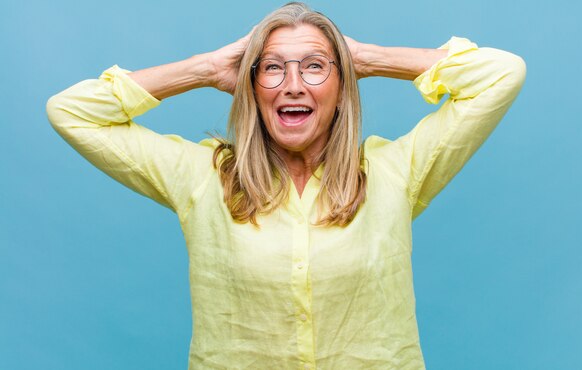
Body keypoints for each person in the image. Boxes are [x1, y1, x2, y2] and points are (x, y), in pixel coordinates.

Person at [46, 2, 526, 369]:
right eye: (273, 67)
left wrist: (367, 58)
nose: (292, 84)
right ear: (252, 87)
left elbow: (502, 74)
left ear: (342, 89)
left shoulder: (395, 171)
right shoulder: (201, 175)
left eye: (315, 66)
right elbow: (70, 110)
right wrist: (206, 69)